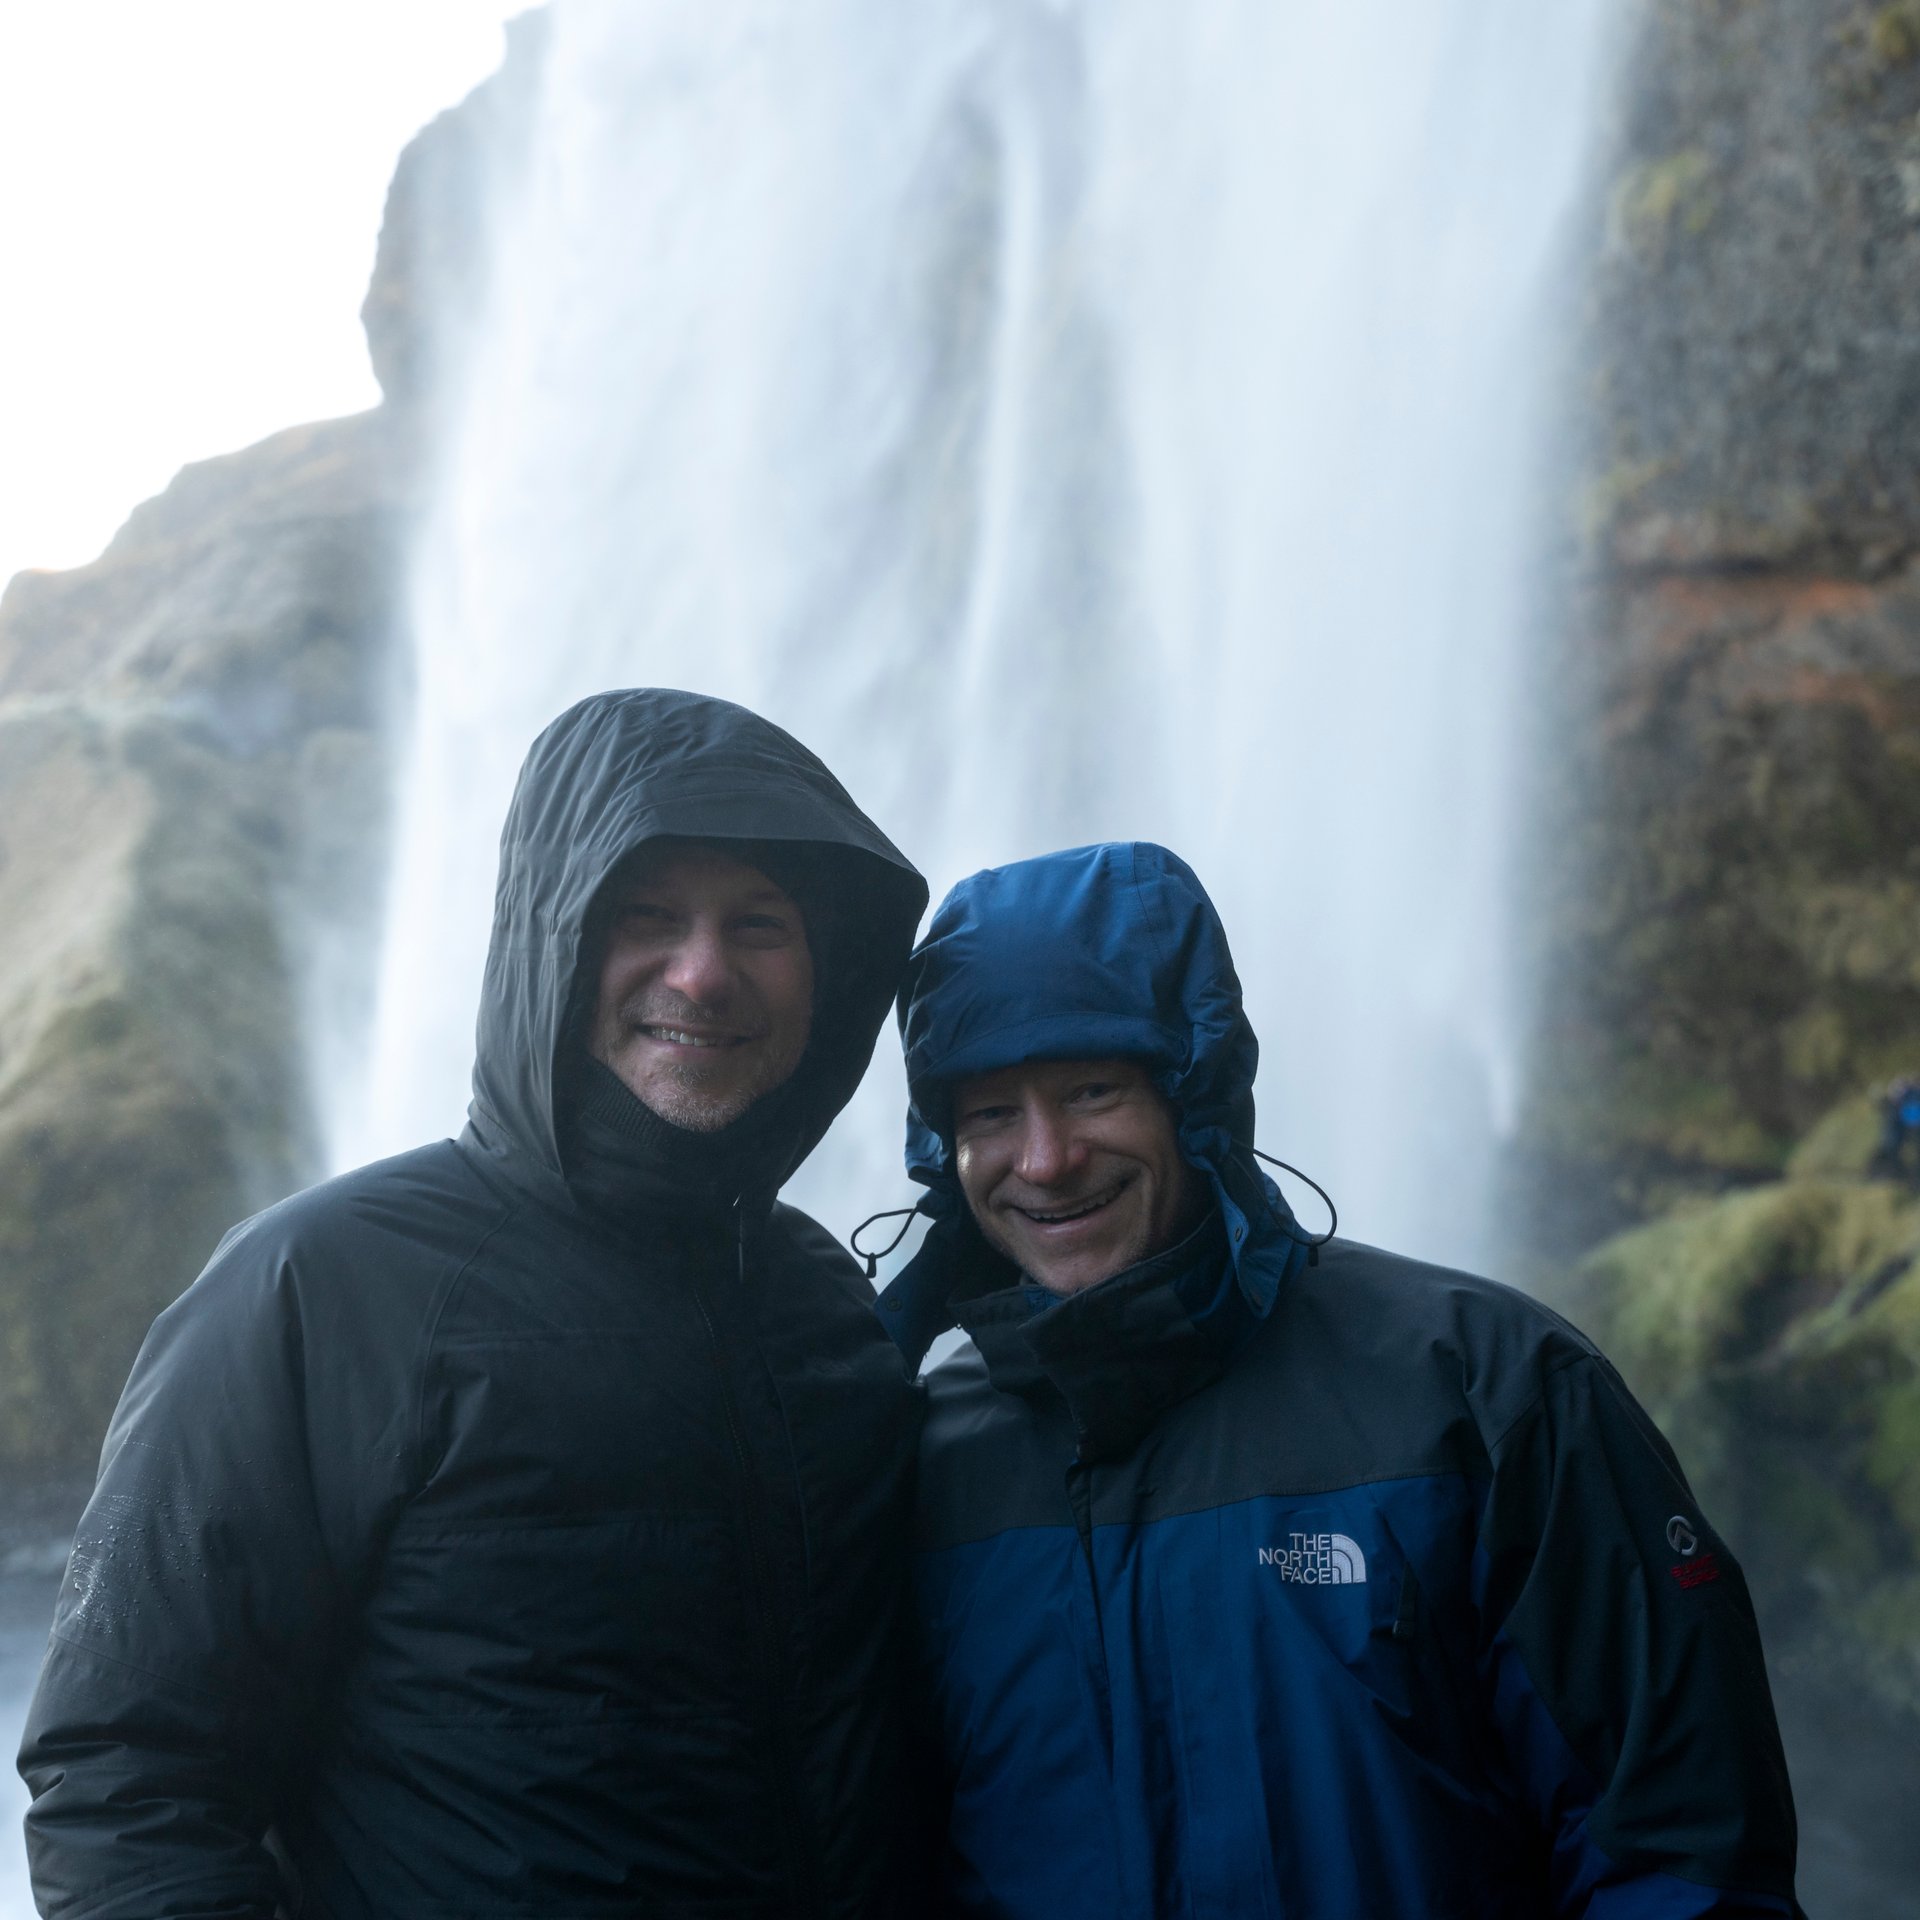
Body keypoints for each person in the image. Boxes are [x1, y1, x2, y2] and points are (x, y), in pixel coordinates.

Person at [20, 688, 930, 1919]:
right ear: (553, 941)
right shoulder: (316, 1286)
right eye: (646, 915)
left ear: (828, 972)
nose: (704, 972)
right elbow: (123, 1778)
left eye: (758, 924)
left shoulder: (827, 1307)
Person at [875, 841, 1803, 1918]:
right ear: (943, 1150)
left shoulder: (1488, 1391)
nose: (1045, 1158)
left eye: (1093, 1089)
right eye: (991, 1113)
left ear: (1197, 1097)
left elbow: (1680, 1852)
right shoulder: (919, 1456)